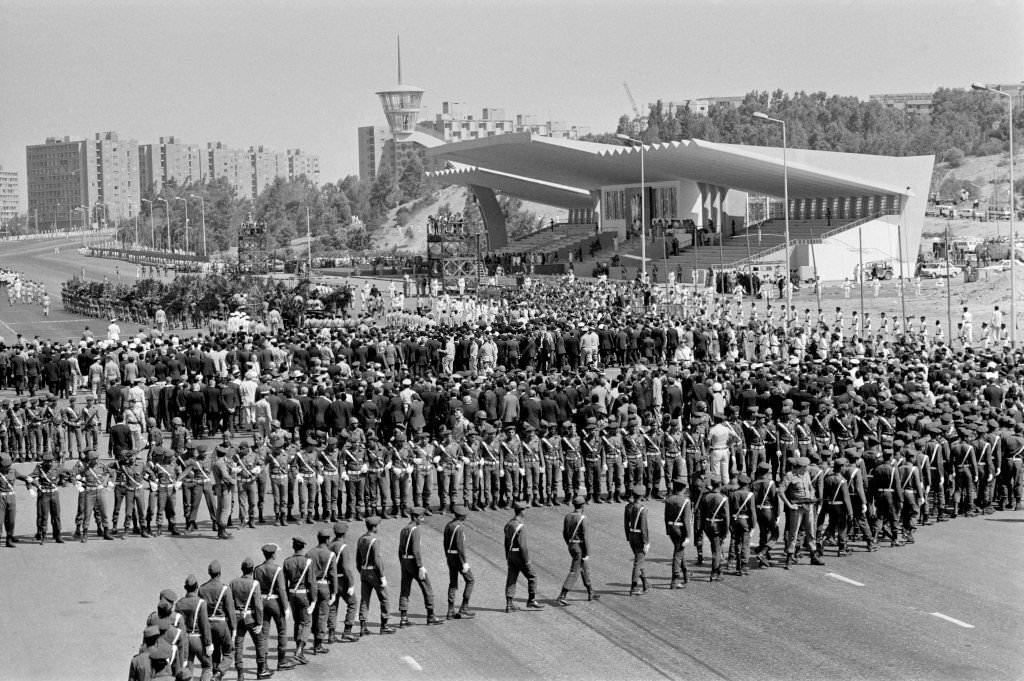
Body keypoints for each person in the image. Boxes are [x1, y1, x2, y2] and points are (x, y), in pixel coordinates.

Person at [398, 506, 443, 626]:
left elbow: (400, 550)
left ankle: (403, 617)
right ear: (415, 517)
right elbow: (416, 550)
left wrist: (402, 563)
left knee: (405, 589)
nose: (422, 520)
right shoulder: (415, 530)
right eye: (421, 517)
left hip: (404, 561)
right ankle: (431, 615)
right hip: (413, 563)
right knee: (426, 586)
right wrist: (420, 566)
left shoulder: (404, 529)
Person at [254, 542, 295, 673]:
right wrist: (286, 607)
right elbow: (282, 590)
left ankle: (264, 664)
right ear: (273, 554)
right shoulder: (277, 569)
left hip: (262, 601)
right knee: (282, 631)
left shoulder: (257, 569)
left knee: (264, 634)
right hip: (275, 602)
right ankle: (281, 661)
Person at [779, 456, 825, 567]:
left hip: (808, 507)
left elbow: (810, 488)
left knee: (811, 532)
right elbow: (780, 491)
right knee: (793, 533)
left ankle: (814, 556)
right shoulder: (789, 476)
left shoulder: (806, 475)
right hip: (797, 508)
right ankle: (789, 557)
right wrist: (790, 505)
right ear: (800, 467)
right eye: (805, 467)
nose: (807, 469)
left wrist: (812, 497)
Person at [231, 557, 271, 680]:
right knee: (259, 642)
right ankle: (261, 670)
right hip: (251, 617)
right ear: (252, 570)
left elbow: (229, 601)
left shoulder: (233, 583)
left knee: (238, 645)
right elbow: (258, 606)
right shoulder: (254, 583)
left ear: (242, 569)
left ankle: (240, 674)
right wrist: (259, 622)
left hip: (237, 616)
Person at [356, 515, 396, 635]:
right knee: (384, 598)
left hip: (364, 571)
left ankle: (363, 626)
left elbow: (357, 559)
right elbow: (377, 560)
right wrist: (382, 576)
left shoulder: (361, 539)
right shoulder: (374, 540)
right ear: (374, 527)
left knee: (365, 599)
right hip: (374, 573)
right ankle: (384, 626)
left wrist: (362, 571)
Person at [556, 495, 598, 604]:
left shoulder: (568, 516)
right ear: (582, 505)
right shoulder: (583, 518)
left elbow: (564, 533)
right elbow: (585, 537)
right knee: (574, 571)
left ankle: (590, 591)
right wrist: (587, 552)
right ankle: (562, 595)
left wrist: (569, 544)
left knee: (584, 568)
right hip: (579, 547)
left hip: (571, 544)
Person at [503, 501, 544, 612]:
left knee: (511, 578)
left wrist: (508, 556)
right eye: (525, 509)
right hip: (519, 556)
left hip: (511, 554)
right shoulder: (520, 526)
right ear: (521, 511)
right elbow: (523, 546)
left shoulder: (509, 524)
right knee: (532, 576)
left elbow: (506, 543)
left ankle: (509, 604)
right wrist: (527, 561)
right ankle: (531, 600)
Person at [283, 536, 315, 665]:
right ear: (303, 547)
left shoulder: (287, 561)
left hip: (292, 594)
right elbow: (311, 582)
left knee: (297, 622)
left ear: (293, 547)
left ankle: (299, 650)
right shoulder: (307, 562)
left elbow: (284, 583)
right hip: (304, 595)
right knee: (306, 623)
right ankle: (299, 651)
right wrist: (313, 600)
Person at [173, 574, 213, 681]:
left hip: (184, 640)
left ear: (185, 588)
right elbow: (205, 625)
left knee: (188, 670)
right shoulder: (201, 603)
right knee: (208, 666)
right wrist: (208, 643)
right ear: (197, 587)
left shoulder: (179, 604)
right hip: (197, 638)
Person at [327, 521, 360, 643]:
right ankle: (347, 631)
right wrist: (351, 583)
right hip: (342, 580)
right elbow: (346, 568)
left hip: (330, 580)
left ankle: (331, 634)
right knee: (352, 603)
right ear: (345, 533)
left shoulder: (329, 545)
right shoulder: (343, 547)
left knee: (333, 606)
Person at [443, 505, 476, 618]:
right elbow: (460, 547)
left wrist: (448, 556)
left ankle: (450, 610)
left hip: (450, 556)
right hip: (458, 558)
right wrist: (464, 563)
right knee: (470, 580)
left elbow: (445, 543)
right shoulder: (459, 527)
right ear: (461, 516)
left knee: (453, 583)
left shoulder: (449, 525)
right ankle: (464, 607)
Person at [307, 528, 337, 654]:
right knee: (322, 615)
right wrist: (334, 592)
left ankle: (314, 636)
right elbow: (333, 575)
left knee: (313, 614)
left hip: (311, 585)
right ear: (328, 539)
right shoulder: (330, 554)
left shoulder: (309, 553)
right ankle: (318, 643)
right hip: (324, 586)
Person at [696, 477, 729, 581]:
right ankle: (714, 573)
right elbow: (726, 517)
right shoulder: (723, 498)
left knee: (715, 546)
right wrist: (725, 531)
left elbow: (701, 513)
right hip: (717, 526)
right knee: (716, 550)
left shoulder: (706, 497)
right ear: (720, 485)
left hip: (707, 525)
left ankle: (719, 569)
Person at [27, 451, 65, 543]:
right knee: (42, 515)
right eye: (47, 461)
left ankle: (57, 534)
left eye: (51, 461)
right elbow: (29, 477)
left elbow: (67, 472)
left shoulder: (57, 467)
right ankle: (41, 533)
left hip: (54, 494)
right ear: (44, 461)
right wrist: (30, 489)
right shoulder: (39, 468)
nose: (49, 463)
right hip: (44, 494)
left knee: (56, 515)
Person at [623, 484, 650, 595]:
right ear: (642, 495)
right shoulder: (642, 509)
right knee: (638, 562)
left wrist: (628, 536)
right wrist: (646, 542)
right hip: (639, 537)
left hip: (631, 535)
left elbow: (626, 524)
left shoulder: (628, 507)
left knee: (639, 560)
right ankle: (634, 587)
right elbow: (644, 528)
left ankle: (645, 583)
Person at [0, 453, 28, 546]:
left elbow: (22, 477)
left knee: (11, 520)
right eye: (6, 466)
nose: (8, 467)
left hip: (11, 497)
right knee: (0, 520)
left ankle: (9, 538)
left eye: (9, 465)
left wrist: (29, 479)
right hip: (0, 498)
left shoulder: (13, 471)